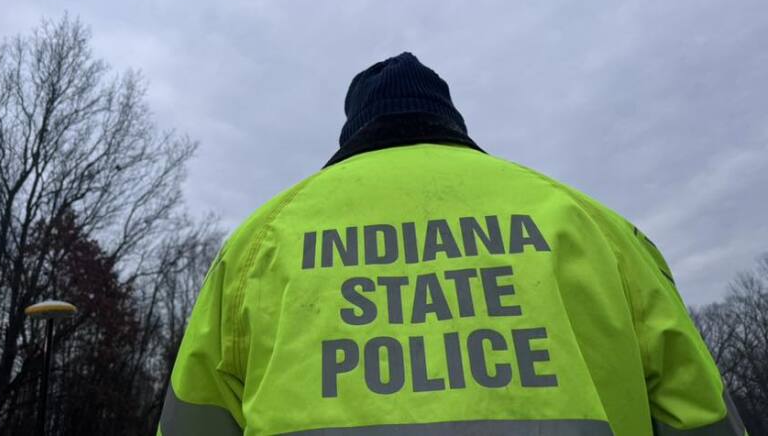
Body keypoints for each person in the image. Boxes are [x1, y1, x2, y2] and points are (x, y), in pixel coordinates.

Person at [158, 52, 746, 436]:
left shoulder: (260, 244)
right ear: (452, 123)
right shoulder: (597, 228)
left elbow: (194, 418)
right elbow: (699, 413)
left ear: (353, 131)